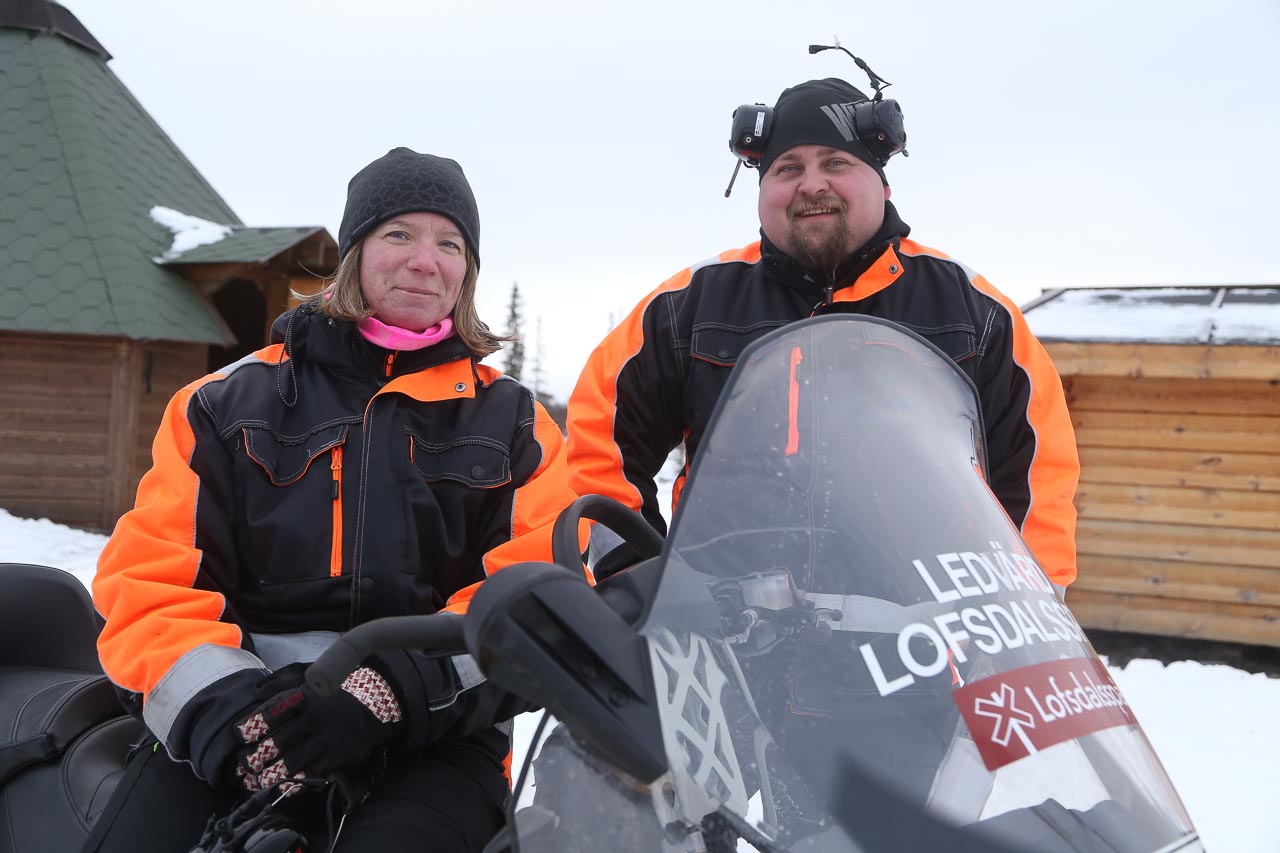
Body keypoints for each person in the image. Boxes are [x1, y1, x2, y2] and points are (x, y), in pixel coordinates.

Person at [88, 147, 579, 852]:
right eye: (399, 235)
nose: (425, 260)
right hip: (247, 722)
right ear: (355, 251)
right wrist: (229, 716)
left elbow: (538, 600)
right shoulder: (223, 406)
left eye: (449, 243)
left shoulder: (516, 426)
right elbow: (148, 584)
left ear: (467, 270)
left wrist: (391, 692)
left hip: (435, 735)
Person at [567, 75, 1079, 592]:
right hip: (725, 641)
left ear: (882, 183)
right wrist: (636, 577)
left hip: (926, 639)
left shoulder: (973, 311)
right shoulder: (689, 307)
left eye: (836, 163)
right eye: (788, 168)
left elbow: (1037, 478)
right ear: (763, 190)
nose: (812, 184)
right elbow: (599, 439)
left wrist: (1027, 603)